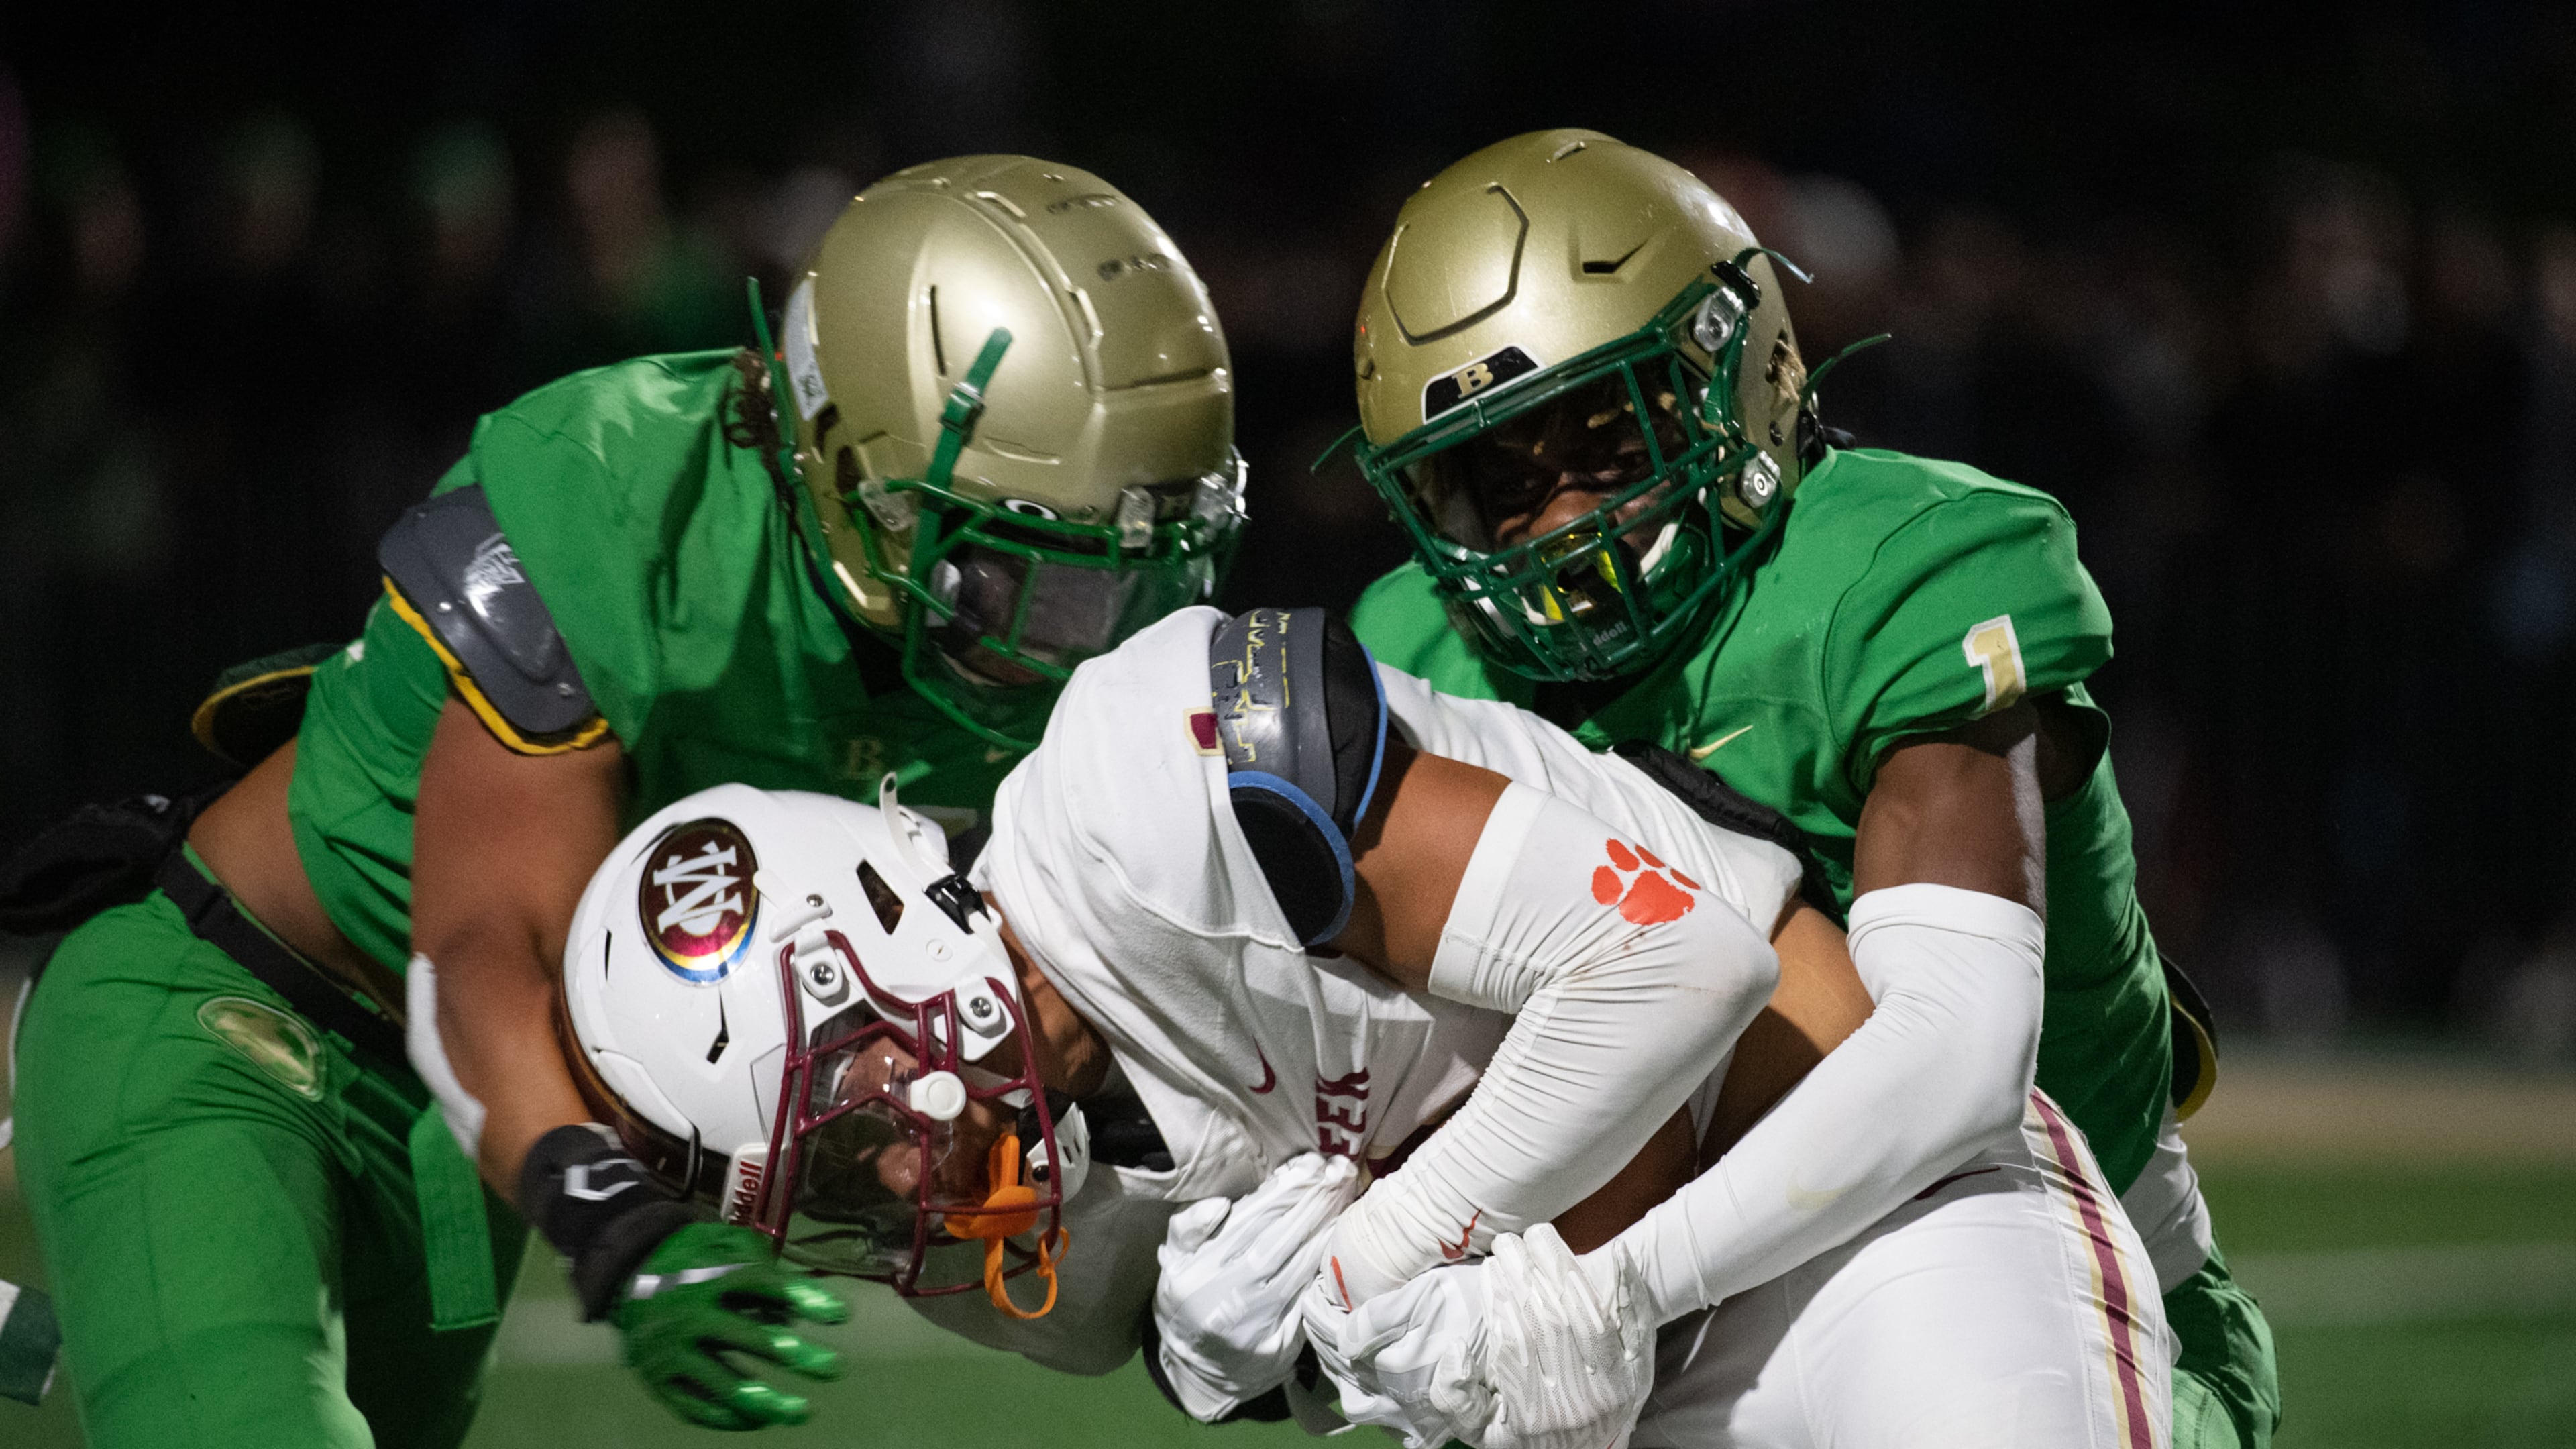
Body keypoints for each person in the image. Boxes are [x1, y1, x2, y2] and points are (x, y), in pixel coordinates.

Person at [3, 154, 1242, 1445]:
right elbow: (481, 954)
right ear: (849, 464)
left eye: (1126, 573)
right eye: (1028, 573)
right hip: (241, 1012)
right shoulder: (624, 497)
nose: (1083, 637)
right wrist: (615, 1226)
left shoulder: (990, 648)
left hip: (465, 1133)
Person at [531, 602, 2172, 1449]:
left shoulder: (1141, 785)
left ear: (887, 922)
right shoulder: (991, 1247)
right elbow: (1366, 1358)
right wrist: (1250, 1371)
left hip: (1858, 1203)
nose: (899, 1188)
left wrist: (1375, 1262)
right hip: (1592, 1402)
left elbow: (1677, 966)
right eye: (831, 1193)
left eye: (859, 1117)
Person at [1336, 129, 2272, 1448]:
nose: (1557, 525)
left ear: (1735, 371)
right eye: (1501, 479)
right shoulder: (1417, 652)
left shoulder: (1900, 567)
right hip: (1654, 1325)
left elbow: (1953, 1050)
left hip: (2030, 1256)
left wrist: (1611, 1292)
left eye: (1606, 437)